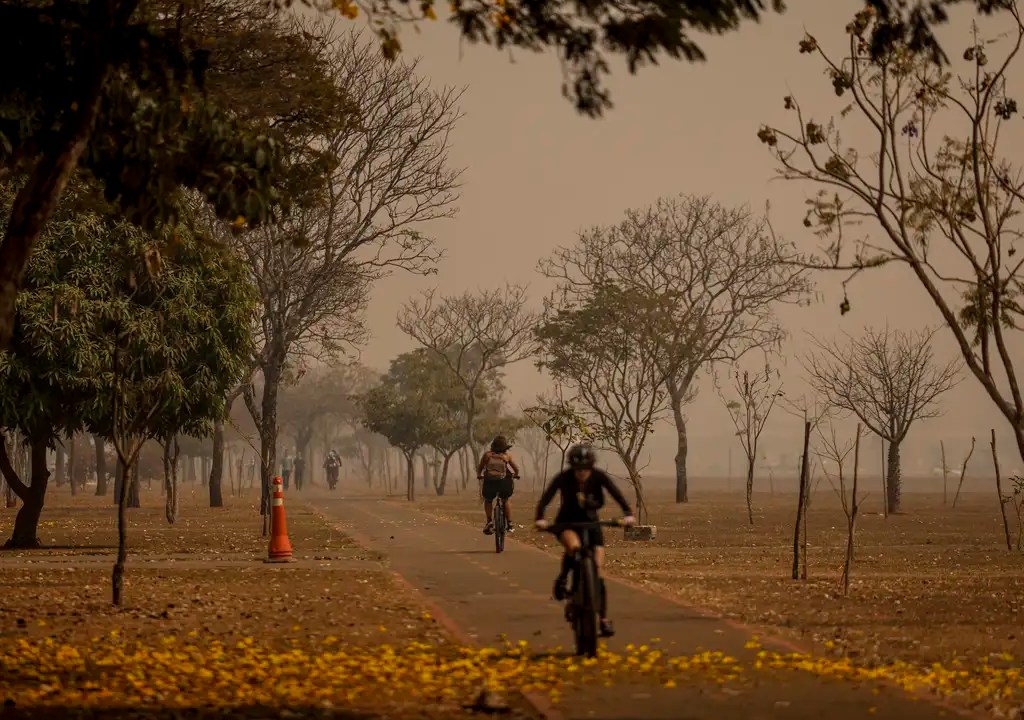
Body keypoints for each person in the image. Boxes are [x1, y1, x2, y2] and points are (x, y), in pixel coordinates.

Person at [534, 444, 635, 638]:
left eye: (586, 469)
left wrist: (628, 514)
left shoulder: (599, 476)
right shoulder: (563, 478)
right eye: (578, 469)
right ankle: (563, 578)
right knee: (574, 547)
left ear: (592, 466)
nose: (582, 473)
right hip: (567, 522)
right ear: (572, 467)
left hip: (591, 523)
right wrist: (540, 519)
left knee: (597, 572)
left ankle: (603, 619)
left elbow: (616, 494)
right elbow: (545, 499)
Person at [476, 435, 520, 535]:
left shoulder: (487, 455)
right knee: (506, 499)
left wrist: (479, 475)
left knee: (488, 500)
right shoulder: (507, 456)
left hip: (490, 483)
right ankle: (509, 523)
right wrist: (516, 476)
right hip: (503, 483)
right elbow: (516, 469)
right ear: (505, 446)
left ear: (493, 445)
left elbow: (480, 468)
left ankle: (489, 522)